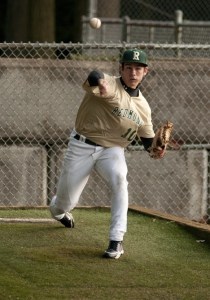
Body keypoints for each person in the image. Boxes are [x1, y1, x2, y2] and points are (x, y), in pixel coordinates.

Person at [49, 49, 165, 259]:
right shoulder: (110, 83)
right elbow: (94, 75)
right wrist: (100, 83)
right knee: (65, 203)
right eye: (128, 67)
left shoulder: (143, 107)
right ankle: (59, 210)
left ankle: (116, 240)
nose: (133, 73)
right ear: (121, 69)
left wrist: (156, 150)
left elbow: (148, 141)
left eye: (138, 68)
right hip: (82, 145)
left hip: (112, 150)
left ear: (145, 72)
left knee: (120, 179)